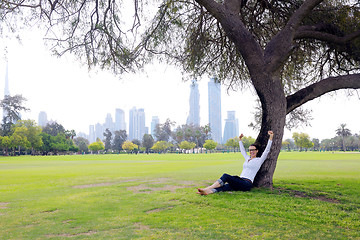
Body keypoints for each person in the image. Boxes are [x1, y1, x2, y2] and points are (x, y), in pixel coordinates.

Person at [197, 131, 274, 195]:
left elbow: (267, 150)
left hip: (247, 183)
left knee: (225, 176)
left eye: (253, 150)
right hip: (240, 180)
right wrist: (240, 139)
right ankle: (207, 192)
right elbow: (242, 150)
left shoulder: (259, 160)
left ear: (257, 151)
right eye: (250, 150)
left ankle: (208, 188)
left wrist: (271, 137)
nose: (251, 151)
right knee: (227, 186)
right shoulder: (247, 158)